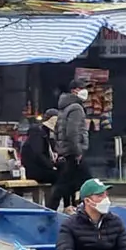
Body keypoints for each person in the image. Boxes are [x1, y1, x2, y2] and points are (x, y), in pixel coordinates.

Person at [49, 74, 90, 211]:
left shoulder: (63, 107)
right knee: (85, 182)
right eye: (82, 88)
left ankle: (72, 207)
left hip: (65, 151)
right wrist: (77, 151)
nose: (86, 91)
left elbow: (56, 131)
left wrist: (59, 148)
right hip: (73, 152)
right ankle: (52, 209)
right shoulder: (76, 108)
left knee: (69, 183)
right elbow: (73, 133)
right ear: (74, 90)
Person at [20, 110, 59, 188]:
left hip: (37, 168)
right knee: (60, 177)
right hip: (34, 171)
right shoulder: (38, 135)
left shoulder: (44, 135)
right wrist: (51, 166)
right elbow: (38, 154)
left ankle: (53, 199)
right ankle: (55, 199)